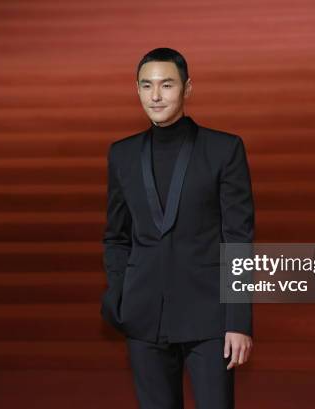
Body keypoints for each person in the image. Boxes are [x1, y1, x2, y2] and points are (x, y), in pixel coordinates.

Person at [100, 47, 255, 409]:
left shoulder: (224, 149)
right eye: (146, 85)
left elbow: (238, 240)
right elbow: (116, 234)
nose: (155, 96)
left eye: (166, 84)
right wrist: (120, 295)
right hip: (143, 317)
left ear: (187, 88)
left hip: (210, 318)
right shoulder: (121, 154)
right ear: (136, 90)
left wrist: (238, 321)